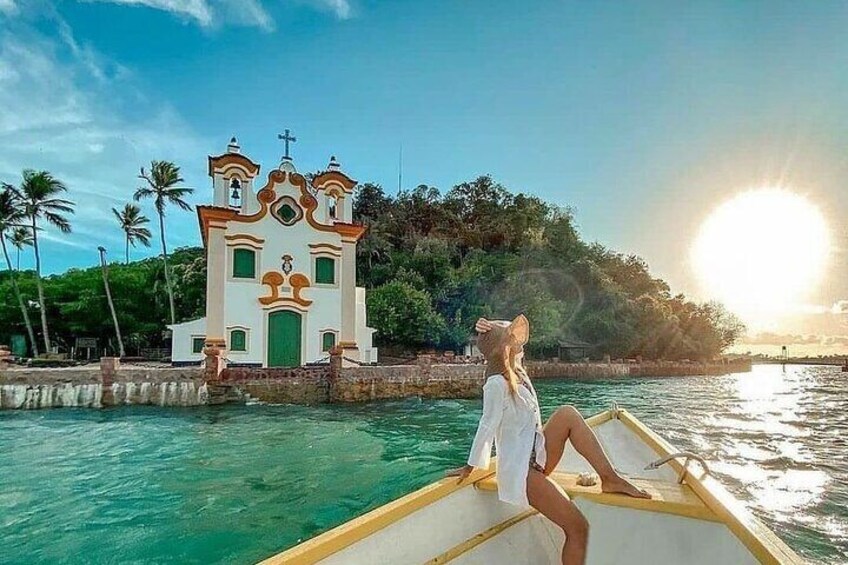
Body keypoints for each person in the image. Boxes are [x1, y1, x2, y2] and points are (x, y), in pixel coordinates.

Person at [446, 315, 650, 565]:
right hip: (523, 472)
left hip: (539, 456)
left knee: (567, 414)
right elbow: (486, 425)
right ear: (504, 347)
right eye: (511, 335)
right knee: (579, 528)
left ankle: (611, 479)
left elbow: (505, 338)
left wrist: (487, 324)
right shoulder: (496, 384)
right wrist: (470, 466)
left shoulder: (518, 370)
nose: (517, 336)